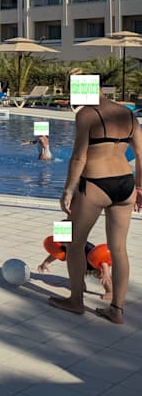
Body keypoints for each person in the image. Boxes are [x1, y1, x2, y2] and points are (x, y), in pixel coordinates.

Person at [49, 96, 142, 323]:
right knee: (118, 249)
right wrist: (139, 187)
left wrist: (68, 190)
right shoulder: (128, 114)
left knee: (74, 243)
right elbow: (141, 153)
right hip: (125, 183)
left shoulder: (86, 114)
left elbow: (79, 157)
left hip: (95, 183)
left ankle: (76, 301)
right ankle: (117, 310)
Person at [39, 236, 112, 303]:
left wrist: (106, 273)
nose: (62, 243)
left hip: (93, 264)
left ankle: (109, 291)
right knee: (77, 276)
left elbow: (101, 260)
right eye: (61, 242)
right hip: (78, 265)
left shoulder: (85, 246)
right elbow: (56, 254)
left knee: (102, 277)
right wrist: (45, 262)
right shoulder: (65, 245)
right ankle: (81, 287)